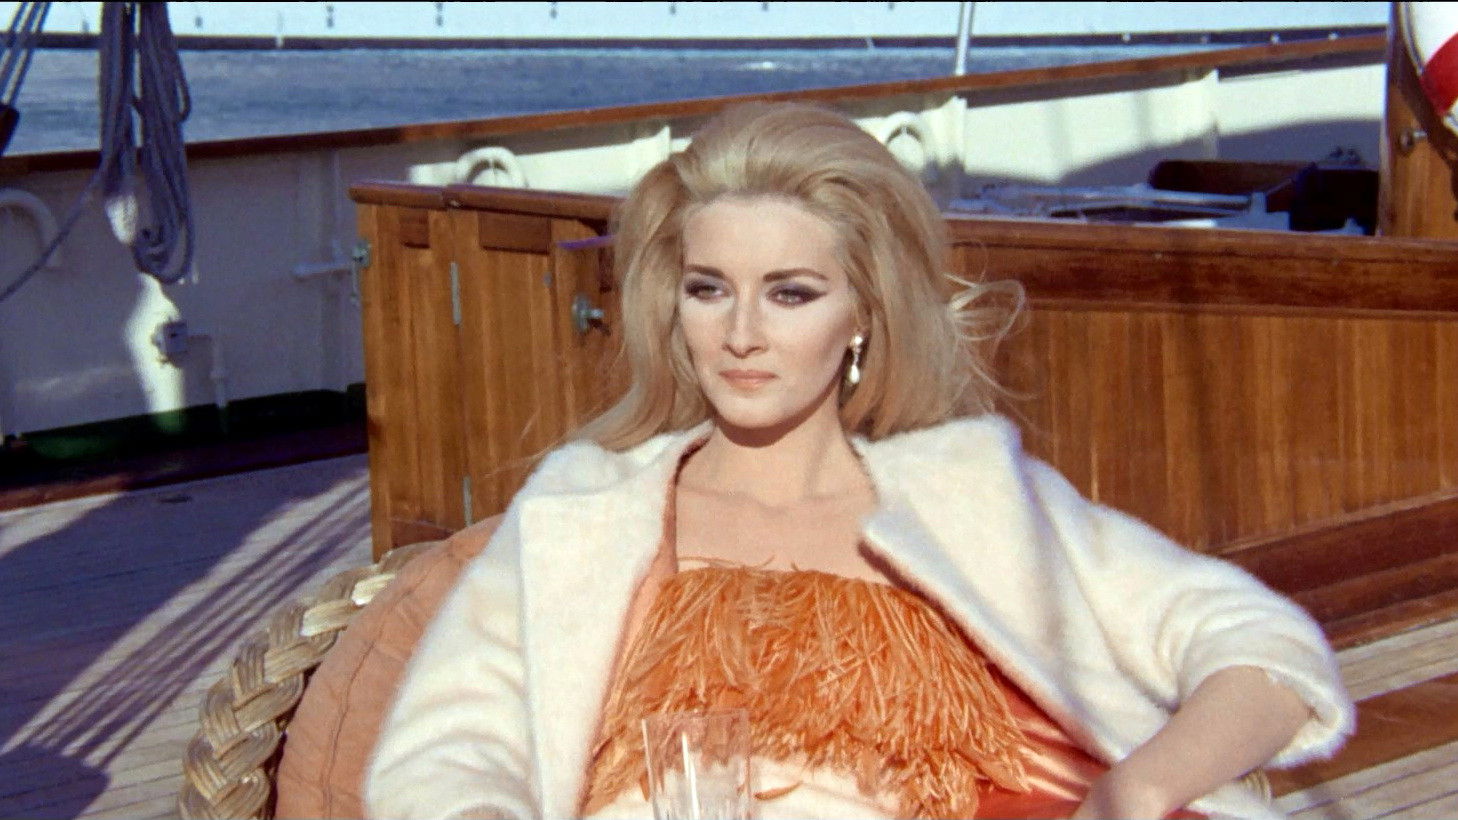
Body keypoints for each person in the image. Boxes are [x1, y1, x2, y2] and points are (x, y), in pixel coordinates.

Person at [364, 102, 1353, 819]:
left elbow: (1264, 649)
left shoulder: (969, 492)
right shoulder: (585, 508)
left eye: (790, 293)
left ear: (864, 315)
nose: (740, 334)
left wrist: (1135, 789)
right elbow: (444, 754)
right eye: (709, 289)